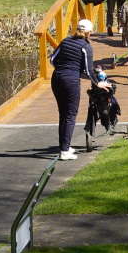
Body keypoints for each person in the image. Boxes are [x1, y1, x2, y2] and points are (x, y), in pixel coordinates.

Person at [50, 19, 110, 160]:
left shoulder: (65, 41)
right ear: (88, 32)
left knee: (63, 114)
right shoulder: (86, 47)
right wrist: (98, 83)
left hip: (56, 78)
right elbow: (89, 71)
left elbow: (52, 59)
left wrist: (63, 69)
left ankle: (64, 146)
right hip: (70, 81)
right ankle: (64, 152)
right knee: (70, 114)